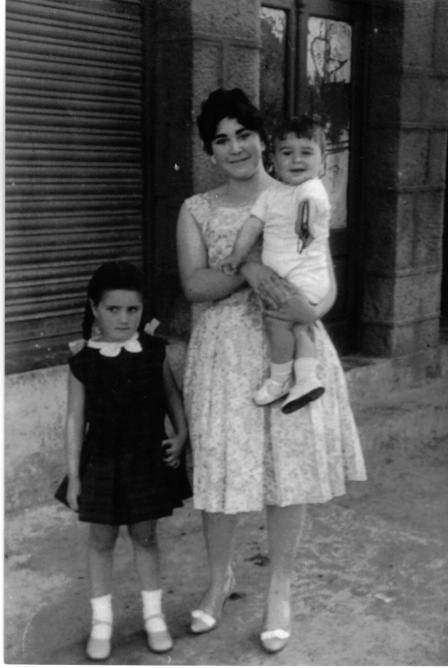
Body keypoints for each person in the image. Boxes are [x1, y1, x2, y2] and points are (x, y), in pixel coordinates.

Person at [176, 88, 367, 654]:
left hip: (292, 341)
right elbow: (195, 286)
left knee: (290, 471)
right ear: (209, 150)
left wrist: (311, 307)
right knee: (221, 473)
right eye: (221, 140)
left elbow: (323, 280)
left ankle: (279, 589)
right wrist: (252, 271)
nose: (235, 147)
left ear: (264, 139)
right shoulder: (197, 208)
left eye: (244, 135)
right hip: (223, 357)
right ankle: (218, 581)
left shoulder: (298, 193)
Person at [54, 261, 191, 660]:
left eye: (133, 309)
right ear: (94, 308)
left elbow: (172, 396)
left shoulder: (153, 351)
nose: (124, 318)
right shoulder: (83, 359)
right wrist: (74, 477)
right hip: (101, 461)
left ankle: (154, 616)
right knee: (101, 540)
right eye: (113, 309)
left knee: (145, 537)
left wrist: (181, 435)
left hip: (146, 459)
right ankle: (102, 622)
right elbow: (74, 419)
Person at [219, 115, 331, 413]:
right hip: (287, 282)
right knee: (298, 329)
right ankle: (306, 379)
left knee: (277, 321)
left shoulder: (311, 188)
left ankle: (279, 379)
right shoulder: (271, 195)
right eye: (286, 153)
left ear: (322, 161)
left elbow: (310, 205)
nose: (296, 160)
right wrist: (237, 255)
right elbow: (251, 226)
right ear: (274, 160)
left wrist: (305, 224)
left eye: (306, 152)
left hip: (305, 281)